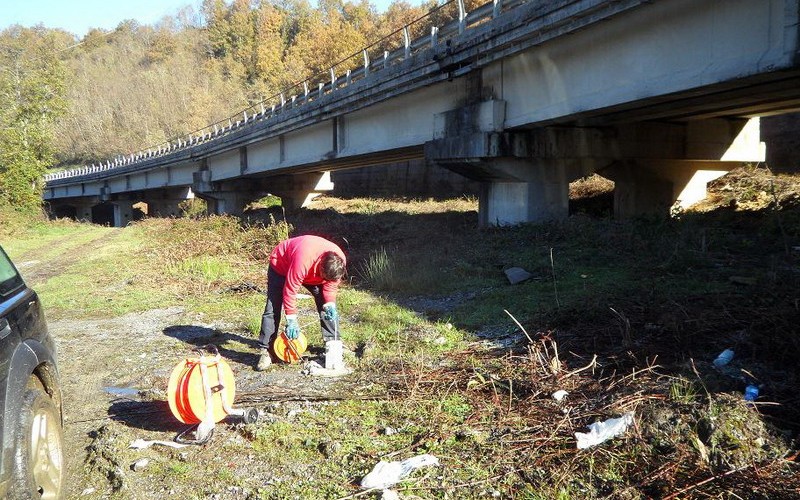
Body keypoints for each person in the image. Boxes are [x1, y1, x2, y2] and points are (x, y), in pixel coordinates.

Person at [256, 235, 347, 370]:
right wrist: (292, 320)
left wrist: (330, 305)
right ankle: (266, 351)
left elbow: (330, 287)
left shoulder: (338, 263)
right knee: (273, 306)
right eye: (325, 277)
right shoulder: (303, 259)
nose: (327, 280)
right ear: (321, 267)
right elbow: (290, 290)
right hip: (282, 265)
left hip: (312, 272)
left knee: (325, 305)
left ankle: (333, 343)